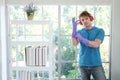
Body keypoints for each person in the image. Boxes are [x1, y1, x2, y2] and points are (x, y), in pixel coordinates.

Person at [72, 11, 106, 80]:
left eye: (86, 18)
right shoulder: (80, 32)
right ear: (81, 22)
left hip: (95, 63)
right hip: (83, 64)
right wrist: (74, 29)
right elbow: (74, 43)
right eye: (82, 20)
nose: (85, 21)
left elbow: (96, 44)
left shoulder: (99, 31)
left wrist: (82, 39)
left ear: (90, 18)